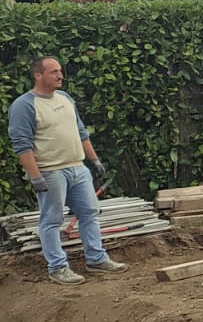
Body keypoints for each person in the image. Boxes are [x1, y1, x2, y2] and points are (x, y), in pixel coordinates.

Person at [8, 56, 129, 285]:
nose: (60, 75)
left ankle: (96, 259)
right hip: (51, 171)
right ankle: (58, 267)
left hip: (77, 168)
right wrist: (35, 176)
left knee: (89, 213)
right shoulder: (24, 106)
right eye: (53, 72)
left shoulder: (65, 98)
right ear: (38, 75)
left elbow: (80, 132)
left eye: (60, 71)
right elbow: (22, 145)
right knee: (52, 220)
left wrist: (94, 160)